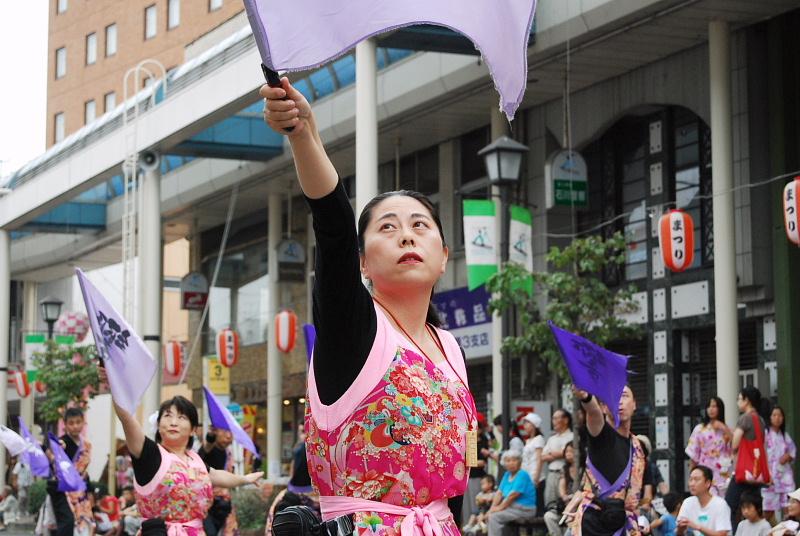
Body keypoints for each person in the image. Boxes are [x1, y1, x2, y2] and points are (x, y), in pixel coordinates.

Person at [262, 75, 477, 534]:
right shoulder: (356, 330)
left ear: (444, 258)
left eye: (421, 225)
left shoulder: (451, 350)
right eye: (387, 227)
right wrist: (305, 136)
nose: (406, 235)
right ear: (361, 262)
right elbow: (334, 226)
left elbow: (449, 487)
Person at [100, 367, 262, 535]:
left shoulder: (195, 461)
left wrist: (245, 479)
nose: (174, 422)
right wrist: (113, 385)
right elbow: (126, 418)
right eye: (168, 416)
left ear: (193, 429)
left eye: (182, 417)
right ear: (159, 424)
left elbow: (216, 475)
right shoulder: (149, 453)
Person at [569, 385, 651, 536]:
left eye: (625, 396)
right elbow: (593, 413)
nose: (619, 402)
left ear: (634, 404)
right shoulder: (601, 435)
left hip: (624, 523)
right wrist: (586, 397)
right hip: (594, 524)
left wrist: (641, 519)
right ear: (604, 407)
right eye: (613, 398)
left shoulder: (638, 448)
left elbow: (634, 494)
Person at [44, 406, 93, 536]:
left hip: (80, 491)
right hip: (63, 490)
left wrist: (90, 489)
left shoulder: (86, 444)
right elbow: (56, 450)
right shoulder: (63, 442)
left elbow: (83, 471)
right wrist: (57, 449)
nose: (75, 426)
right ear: (65, 425)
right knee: (68, 522)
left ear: (83, 422)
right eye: (71, 423)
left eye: (78, 422)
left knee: (84, 523)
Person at [726, 387, 768, 528]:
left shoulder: (745, 418)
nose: (738, 402)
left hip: (744, 472)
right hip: (756, 473)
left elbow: (735, 443)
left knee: (729, 506)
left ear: (747, 400)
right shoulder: (760, 420)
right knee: (754, 507)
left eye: (739, 399)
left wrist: (732, 446)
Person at [686, 397, 733, 496]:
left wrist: (723, 427)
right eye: (709, 406)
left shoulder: (726, 429)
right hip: (705, 474)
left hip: (723, 475)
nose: (711, 409)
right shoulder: (699, 429)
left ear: (720, 409)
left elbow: (736, 446)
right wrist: (692, 477)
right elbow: (693, 455)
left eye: (714, 406)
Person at [486, 451, 538, 535]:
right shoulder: (507, 474)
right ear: (504, 463)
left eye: (514, 460)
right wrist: (492, 508)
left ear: (519, 462)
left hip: (524, 509)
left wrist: (498, 508)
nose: (511, 463)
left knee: (494, 517)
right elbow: (499, 493)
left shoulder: (522, 474)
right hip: (511, 508)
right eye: (508, 461)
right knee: (490, 514)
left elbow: (513, 495)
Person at [199, 427, 239, 536]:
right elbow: (205, 450)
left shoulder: (228, 453)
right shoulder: (209, 448)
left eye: (231, 432)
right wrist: (210, 438)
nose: (229, 435)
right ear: (215, 431)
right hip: (206, 504)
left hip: (223, 504)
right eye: (225, 431)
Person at [677, 465, 732, 536]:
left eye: (696, 480)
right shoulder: (687, 503)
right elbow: (679, 534)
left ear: (708, 483)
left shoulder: (720, 504)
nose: (692, 484)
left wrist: (697, 527)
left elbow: (722, 534)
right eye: (690, 480)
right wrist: (680, 529)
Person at [763, 406, 796, 522]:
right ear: (770, 417)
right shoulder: (765, 434)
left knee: (789, 508)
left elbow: (793, 451)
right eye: (774, 415)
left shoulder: (784, 435)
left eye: (780, 415)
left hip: (784, 477)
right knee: (768, 510)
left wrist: (787, 456)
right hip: (770, 477)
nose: (777, 418)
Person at [543, 443, 581, 536]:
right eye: (566, 451)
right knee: (549, 516)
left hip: (580, 505)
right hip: (566, 504)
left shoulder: (583, 469)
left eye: (571, 451)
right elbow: (562, 489)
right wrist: (565, 497)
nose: (568, 453)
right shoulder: (565, 469)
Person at [464, 413, 492, 527]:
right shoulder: (469, 440)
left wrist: (471, 462)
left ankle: (476, 527)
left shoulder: (483, 442)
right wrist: (472, 462)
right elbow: (468, 461)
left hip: (477, 477)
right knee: (467, 505)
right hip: (467, 476)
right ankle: (467, 527)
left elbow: (480, 462)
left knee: (476, 503)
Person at [542, 409, 575, 507]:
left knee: (566, 503)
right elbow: (542, 456)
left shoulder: (572, 436)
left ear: (566, 420)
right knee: (550, 503)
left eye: (556, 418)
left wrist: (552, 453)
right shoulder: (552, 438)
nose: (554, 421)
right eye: (553, 419)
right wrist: (559, 453)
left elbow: (566, 453)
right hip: (551, 473)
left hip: (566, 474)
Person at [520, 413, 546, 492]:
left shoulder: (539, 439)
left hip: (535, 477)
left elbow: (539, 459)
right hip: (526, 477)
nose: (524, 425)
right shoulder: (528, 441)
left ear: (534, 425)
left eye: (527, 423)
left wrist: (536, 477)